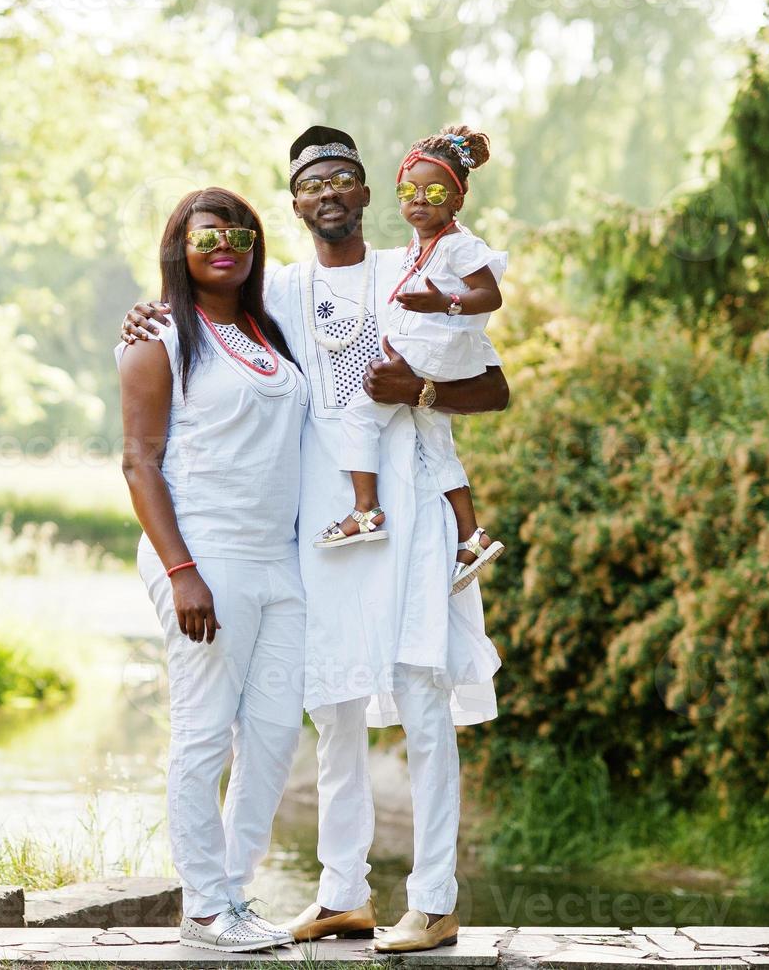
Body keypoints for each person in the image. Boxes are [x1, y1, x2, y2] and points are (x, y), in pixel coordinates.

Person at [122, 126, 509, 954]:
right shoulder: (282, 295)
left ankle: (434, 898)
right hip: (316, 523)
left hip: (404, 503)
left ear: (366, 194)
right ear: (293, 204)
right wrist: (154, 309)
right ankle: (341, 893)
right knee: (331, 701)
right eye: (310, 184)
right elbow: (203, 320)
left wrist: (426, 389)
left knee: (419, 691)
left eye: (343, 179)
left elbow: (496, 385)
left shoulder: (410, 270)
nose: (328, 193)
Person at [117, 188, 308, 953]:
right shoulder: (157, 334)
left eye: (238, 233)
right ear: (179, 249)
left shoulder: (268, 328)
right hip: (205, 557)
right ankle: (202, 906)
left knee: (269, 736)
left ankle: (233, 892)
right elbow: (138, 461)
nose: (224, 245)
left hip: (278, 561)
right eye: (206, 236)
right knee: (204, 734)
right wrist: (180, 570)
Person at [313, 125, 508, 597]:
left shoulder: (459, 244)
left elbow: (491, 296)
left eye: (435, 192)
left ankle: (365, 510)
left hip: (433, 353)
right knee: (437, 446)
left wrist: (447, 303)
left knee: (360, 414)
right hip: (430, 353)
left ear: (456, 201)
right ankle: (471, 535)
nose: (419, 200)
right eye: (409, 191)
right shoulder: (418, 247)